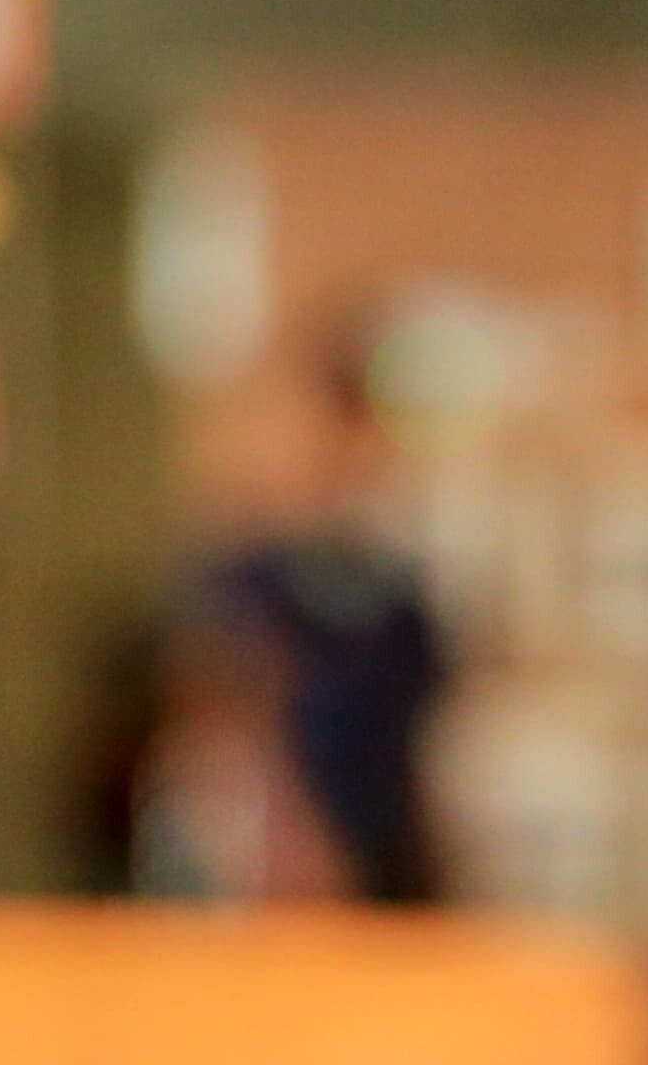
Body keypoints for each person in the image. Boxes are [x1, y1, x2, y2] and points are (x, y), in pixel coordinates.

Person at [129, 335, 445, 904]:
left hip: (374, 871)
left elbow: (416, 760)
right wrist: (285, 841)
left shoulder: (400, 601)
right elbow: (214, 734)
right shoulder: (240, 586)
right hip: (262, 874)